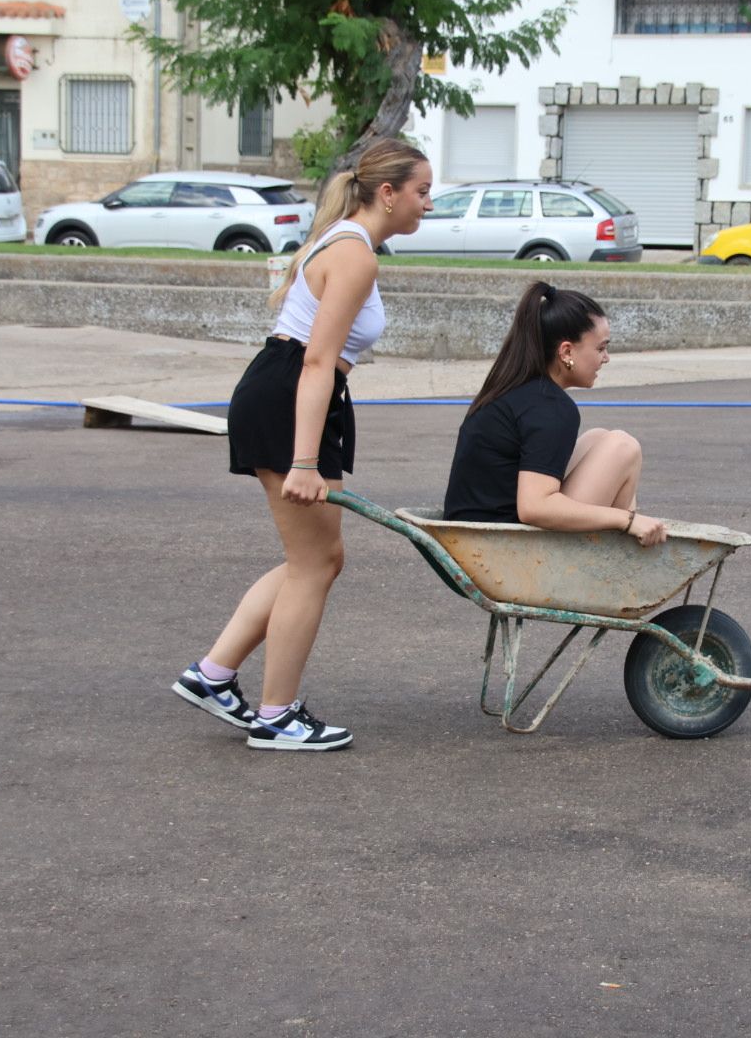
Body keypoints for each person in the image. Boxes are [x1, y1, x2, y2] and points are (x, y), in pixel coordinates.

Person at [171, 138, 433, 752]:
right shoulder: (354, 253)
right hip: (294, 397)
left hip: (291, 395)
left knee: (314, 559)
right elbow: (317, 362)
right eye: (421, 191)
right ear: (388, 193)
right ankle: (276, 714)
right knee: (315, 564)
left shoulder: (346, 239)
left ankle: (214, 676)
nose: (428, 203)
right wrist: (306, 461)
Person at [443, 281, 669, 553]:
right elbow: (534, 507)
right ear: (566, 352)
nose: (606, 358)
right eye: (600, 348)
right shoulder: (550, 407)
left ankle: (619, 555)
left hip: (472, 542)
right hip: (505, 549)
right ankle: (615, 560)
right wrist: (627, 520)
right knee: (623, 446)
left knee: (599, 439)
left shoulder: (516, 391)